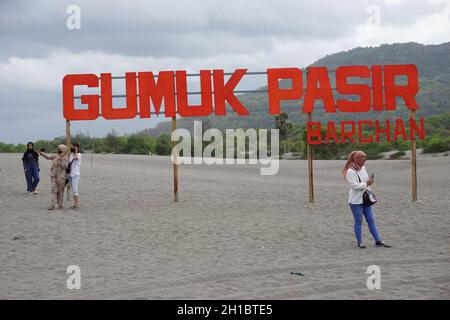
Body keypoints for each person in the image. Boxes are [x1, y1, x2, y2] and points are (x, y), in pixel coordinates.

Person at [342, 150, 391, 249]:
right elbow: (354, 186)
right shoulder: (350, 171)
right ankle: (360, 242)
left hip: (366, 199)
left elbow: (365, 181)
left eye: (365, 158)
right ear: (356, 159)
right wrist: (366, 184)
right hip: (356, 201)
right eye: (362, 158)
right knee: (358, 221)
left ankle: (378, 241)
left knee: (371, 220)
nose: (364, 160)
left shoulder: (363, 168)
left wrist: (369, 183)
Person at [39, 145, 69, 210]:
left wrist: (60, 159)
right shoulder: (55, 156)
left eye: (60, 149)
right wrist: (42, 153)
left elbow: (65, 166)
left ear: (64, 150)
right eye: (58, 149)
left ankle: (60, 204)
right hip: (53, 176)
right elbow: (48, 157)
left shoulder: (66, 158)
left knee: (60, 191)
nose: (59, 150)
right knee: (54, 190)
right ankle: (52, 205)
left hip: (61, 177)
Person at [69, 143, 82, 210]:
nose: (72, 148)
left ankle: (76, 205)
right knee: (73, 189)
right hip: (70, 174)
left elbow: (76, 158)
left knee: (75, 190)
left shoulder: (79, 155)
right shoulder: (71, 155)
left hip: (76, 174)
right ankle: (74, 204)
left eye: (73, 147)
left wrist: (76, 151)